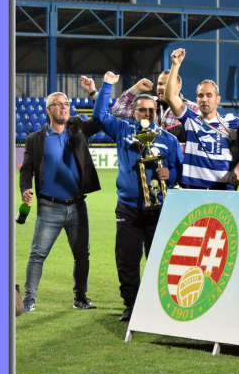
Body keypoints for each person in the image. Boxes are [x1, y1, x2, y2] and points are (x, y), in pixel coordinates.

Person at [93, 72, 183, 322]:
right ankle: (132, 305)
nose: (147, 114)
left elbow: (179, 170)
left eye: (151, 110)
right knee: (127, 261)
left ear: (157, 111)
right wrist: (107, 86)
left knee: (159, 261)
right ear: (133, 112)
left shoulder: (169, 140)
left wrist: (170, 174)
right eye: (142, 110)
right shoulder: (122, 130)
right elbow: (99, 116)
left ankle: (156, 305)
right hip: (128, 208)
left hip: (159, 210)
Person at [19, 92, 102, 313]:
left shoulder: (77, 130)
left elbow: (100, 119)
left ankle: (80, 298)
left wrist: (97, 92)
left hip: (77, 205)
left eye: (66, 104)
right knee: (38, 255)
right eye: (58, 105)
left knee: (81, 254)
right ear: (48, 110)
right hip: (49, 207)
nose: (64, 108)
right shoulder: (35, 139)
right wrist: (25, 188)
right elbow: (26, 169)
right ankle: (29, 299)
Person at [165, 48, 239, 190]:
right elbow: (170, 96)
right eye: (200, 96)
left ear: (218, 100)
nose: (204, 99)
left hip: (223, 188)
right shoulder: (191, 120)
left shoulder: (232, 122)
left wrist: (238, 168)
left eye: (209, 95)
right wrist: (175, 65)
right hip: (195, 188)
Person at [82, 69, 200, 136]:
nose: (162, 87)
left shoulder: (191, 109)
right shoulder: (148, 105)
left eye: (167, 83)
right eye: (160, 84)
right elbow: (117, 110)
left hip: (179, 170)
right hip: (149, 165)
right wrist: (136, 88)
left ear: (179, 87)